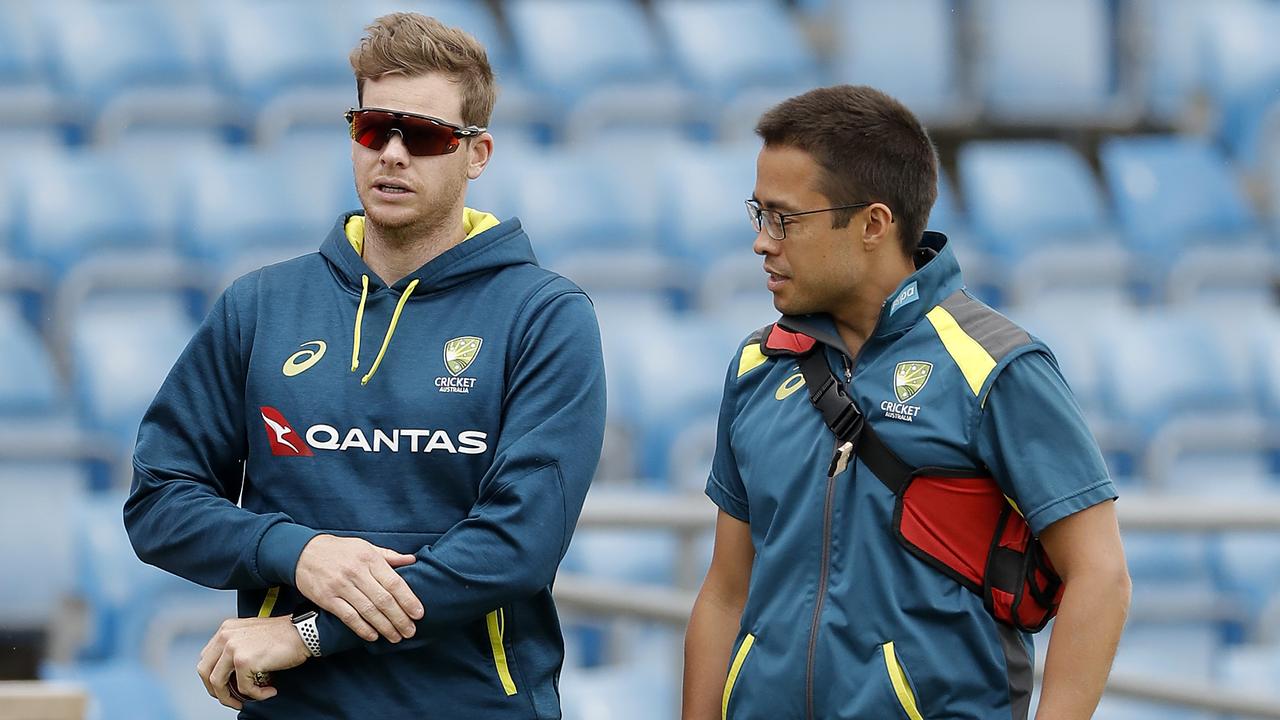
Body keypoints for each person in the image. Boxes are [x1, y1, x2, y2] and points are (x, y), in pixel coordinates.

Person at [124, 13, 606, 719]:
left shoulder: (545, 315)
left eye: (428, 135)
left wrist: (313, 633)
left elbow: (516, 545)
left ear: (477, 153)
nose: (394, 153)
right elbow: (160, 499)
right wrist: (296, 551)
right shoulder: (260, 306)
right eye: (374, 127)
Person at [682, 85, 1130, 720]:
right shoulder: (759, 364)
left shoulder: (997, 366)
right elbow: (727, 591)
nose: (762, 241)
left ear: (873, 223)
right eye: (758, 212)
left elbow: (1101, 576)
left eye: (785, 218)